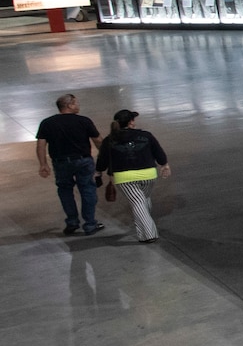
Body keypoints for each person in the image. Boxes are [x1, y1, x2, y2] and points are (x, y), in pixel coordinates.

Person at [97, 109, 170, 243]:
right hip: (148, 174)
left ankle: (149, 234)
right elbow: (158, 152)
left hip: (124, 178)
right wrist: (164, 165)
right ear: (131, 122)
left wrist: (98, 172)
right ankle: (142, 233)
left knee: (137, 202)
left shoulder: (109, 140)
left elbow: (102, 159)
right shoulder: (146, 135)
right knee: (143, 199)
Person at [34, 94, 102, 236]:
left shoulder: (47, 123)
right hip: (83, 161)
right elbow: (98, 141)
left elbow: (41, 145)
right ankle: (90, 224)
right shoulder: (84, 121)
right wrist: (106, 156)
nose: (78, 105)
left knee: (65, 190)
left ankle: (72, 222)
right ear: (69, 105)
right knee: (88, 190)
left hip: (61, 162)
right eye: (76, 103)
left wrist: (43, 164)